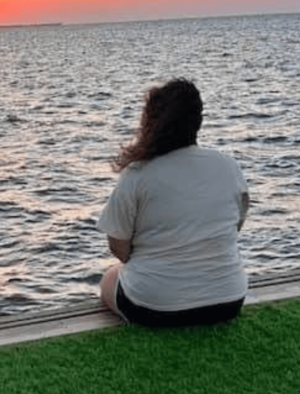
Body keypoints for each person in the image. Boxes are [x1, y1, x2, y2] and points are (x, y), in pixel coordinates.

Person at [98, 78, 249, 327]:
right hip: (228, 301)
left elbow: (118, 247)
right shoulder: (228, 166)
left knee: (109, 278)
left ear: (150, 121)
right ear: (198, 121)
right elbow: (235, 227)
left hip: (155, 308)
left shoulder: (137, 173)